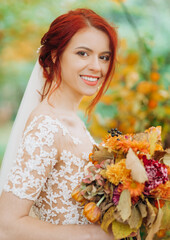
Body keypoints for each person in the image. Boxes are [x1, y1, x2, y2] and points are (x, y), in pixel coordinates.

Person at [0, 8, 119, 240]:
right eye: (83, 53)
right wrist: (98, 235)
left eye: (104, 56)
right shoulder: (47, 126)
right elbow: (7, 225)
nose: (97, 66)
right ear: (55, 55)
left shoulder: (73, 122)